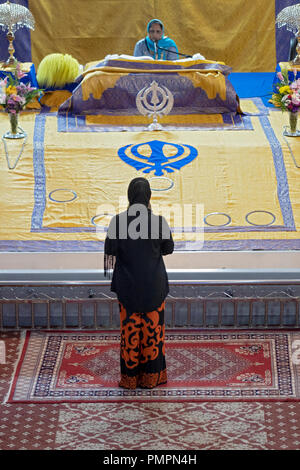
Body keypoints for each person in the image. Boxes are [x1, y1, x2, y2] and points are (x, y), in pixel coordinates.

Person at [104, 177, 174, 389]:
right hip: (154, 286)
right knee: (154, 334)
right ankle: (153, 377)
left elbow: (110, 250)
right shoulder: (158, 221)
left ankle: (130, 379)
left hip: (128, 287)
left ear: (129, 196)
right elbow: (168, 248)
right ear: (148, 196)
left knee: (130, 333)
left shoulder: (118, 221)